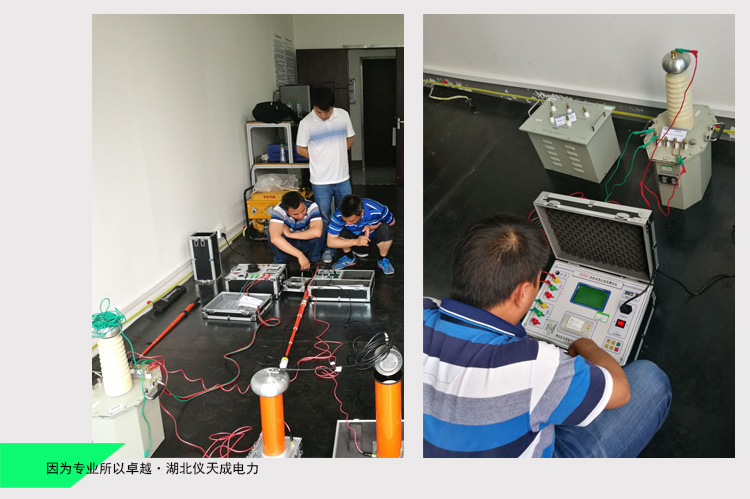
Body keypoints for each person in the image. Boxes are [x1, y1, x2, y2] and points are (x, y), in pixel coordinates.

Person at [423, 213, 671, 458]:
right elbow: (621, 391)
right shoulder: (534, 364)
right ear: (522, 293)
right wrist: (586, 345)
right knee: (650, 378)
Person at [295, 87, 355, 264]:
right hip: (320, 180)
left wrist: (338, 152)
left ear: (332, 107)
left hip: (342, 177)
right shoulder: (306, 123)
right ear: (313, 107)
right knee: (324, 216)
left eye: (326, 112)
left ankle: (348, 245)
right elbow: (300, 148)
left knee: (348, 213)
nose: (323, 116)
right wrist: (319, 158)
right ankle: (328, 247)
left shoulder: (343, 115)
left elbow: (350, 138)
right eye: (319, 112)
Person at [327, 194, 396, 275]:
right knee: (340, 230)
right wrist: (356, 242)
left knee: (385, 228)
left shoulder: (377, 209)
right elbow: (330, 242)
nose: (348, 223)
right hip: (353, 242)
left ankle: (382, 259)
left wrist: (372, 227)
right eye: (345, 220)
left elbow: (392, 222)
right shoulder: (338, 214)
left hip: (373, 242)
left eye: (351, 221)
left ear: (362, 212)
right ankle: (349, 257)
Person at [268, 191, 324, 271]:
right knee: (271, 233)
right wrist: (300, 255)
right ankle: (281, 261)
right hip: (289, 243)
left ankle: (314, 258)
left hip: (305, 240)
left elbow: (317, 232)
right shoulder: (279, 210)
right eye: (295, 214)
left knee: (321, 229)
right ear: (286, 210)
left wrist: (289, 234)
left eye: (303, 210)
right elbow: (275, 238)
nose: (301, 215)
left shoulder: (312, 206)